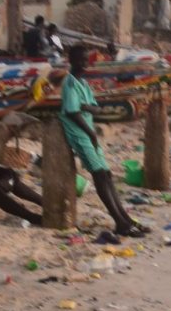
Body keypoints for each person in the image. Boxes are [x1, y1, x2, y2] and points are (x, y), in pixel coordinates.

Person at [60, 45, 146, 238]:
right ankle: (120, 222)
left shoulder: (82, 83)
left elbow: (93, 108)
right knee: (99, 175)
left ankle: (126, 220)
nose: (85, 63)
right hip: (80, 134)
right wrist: (90, 128)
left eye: (86, 59)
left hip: (88, 132)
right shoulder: (70, 82)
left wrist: (87, 108)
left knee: (106, 175)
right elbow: (73, 112)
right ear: (72, 61)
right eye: (81, 59)